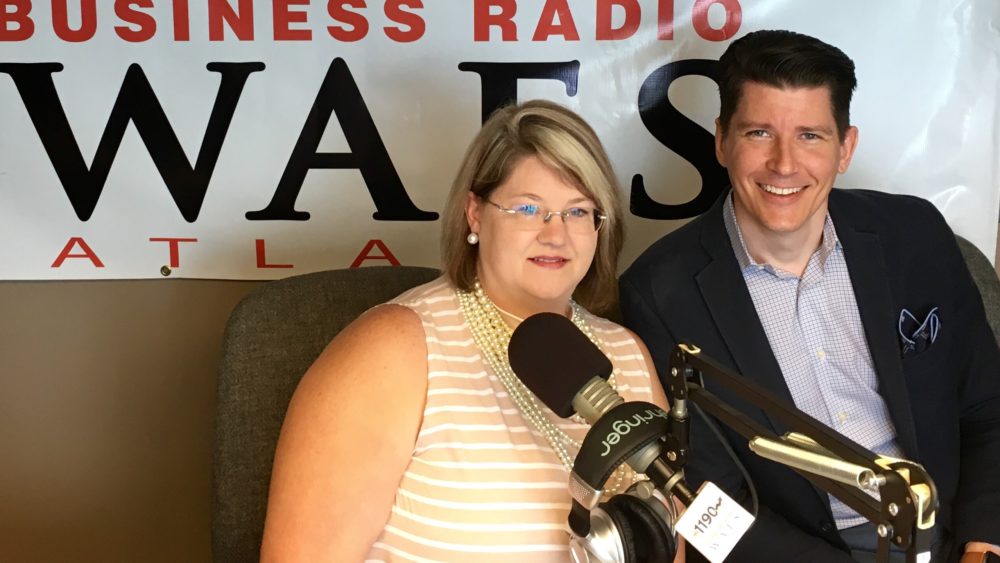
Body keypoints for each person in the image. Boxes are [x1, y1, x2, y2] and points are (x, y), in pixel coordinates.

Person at [619, 29, 1000, 563]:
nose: (784, 164)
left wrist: (984, 544)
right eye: (759, 133)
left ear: (846, 148)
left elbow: (988, 407)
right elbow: (709, 498)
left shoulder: (915, 234)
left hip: (952, 534)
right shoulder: (658, 292)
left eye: (810, 136)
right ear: (721, 141)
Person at [260, 100, 677, 561]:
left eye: (578, 212)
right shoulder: (392, 351)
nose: (556, 235)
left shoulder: (627, 354)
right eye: (528, 208)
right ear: (475, 213)